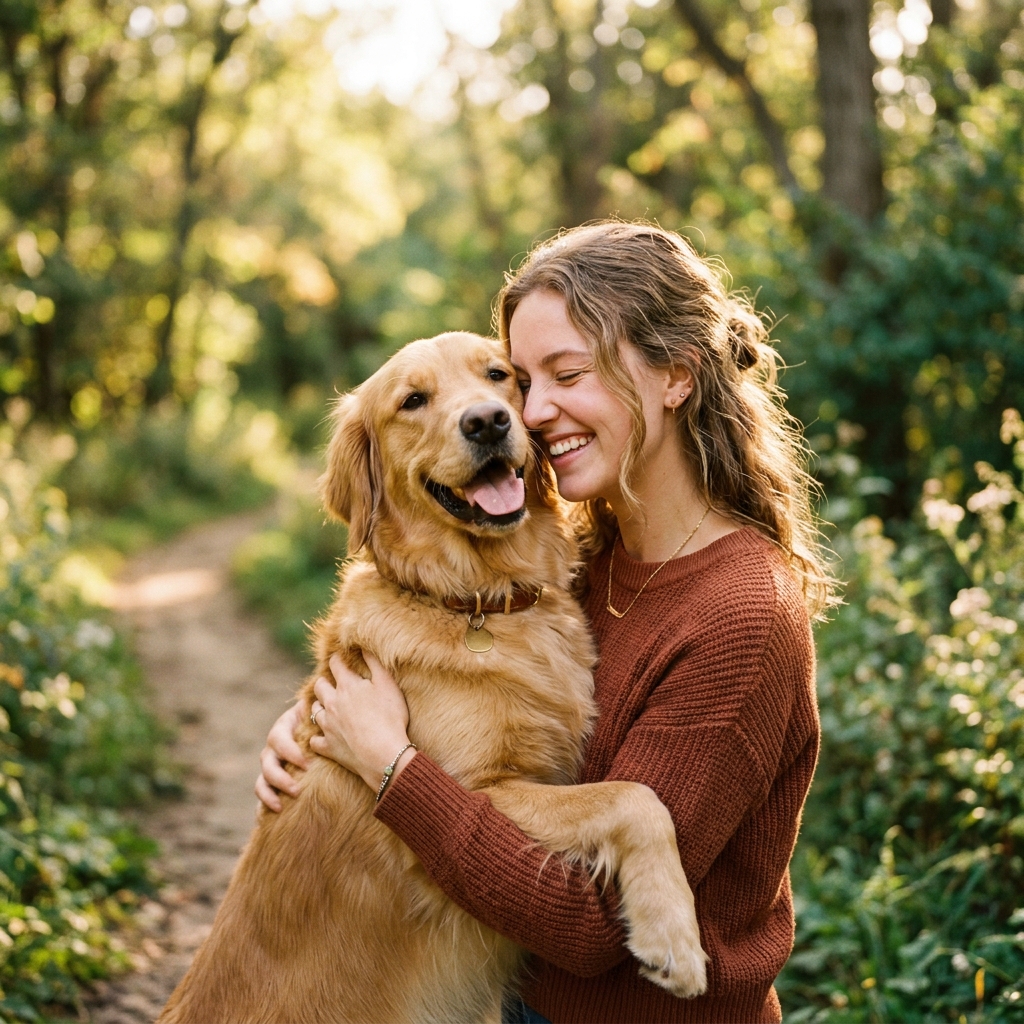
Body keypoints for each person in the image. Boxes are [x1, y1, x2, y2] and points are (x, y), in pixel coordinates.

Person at [256, 221, 832, 1024]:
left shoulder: (740, 617)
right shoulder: (573, 562)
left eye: (567, 372)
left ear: (675, 376)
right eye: (523, 377)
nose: (512, 409)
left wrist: (389, 767)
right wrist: (317, 720)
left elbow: (593, 929)